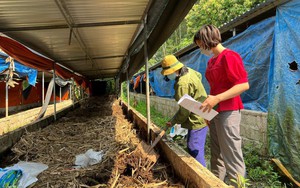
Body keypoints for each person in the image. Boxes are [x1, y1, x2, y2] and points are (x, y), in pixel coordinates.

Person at [193, 24, 249, 183]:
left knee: (231, 153)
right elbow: (215, 88)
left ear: (207, 40)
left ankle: (238, 185)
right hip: (216, 111)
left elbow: (243, 85)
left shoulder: (229, 56)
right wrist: (207, 110)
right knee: (217, 153)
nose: (200, 49)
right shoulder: (212, 62)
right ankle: (215, 182)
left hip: (229, 110)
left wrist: (217, 98)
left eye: (200, 45)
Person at [161, 54, 208, 167]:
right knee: (194, 145)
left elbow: (184, 111)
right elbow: (199, 76)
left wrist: (173, 121)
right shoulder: (189, 71)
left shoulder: (182, 84)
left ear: (174, 70)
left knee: (194, 147)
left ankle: (202, 174)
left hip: (197, 118)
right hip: (203, 111)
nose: (168, 76)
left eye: (168, 74)